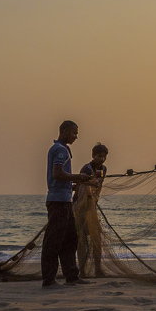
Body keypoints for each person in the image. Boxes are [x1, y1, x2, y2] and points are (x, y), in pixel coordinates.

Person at [42, 120, 95, 288]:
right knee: (54, 241)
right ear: (64, 131)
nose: (76, 136)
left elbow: (59, 179)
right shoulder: (60, 150)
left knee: (70, 239)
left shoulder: (60, 149)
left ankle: (71, 276)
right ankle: (49, 280)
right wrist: (78, 177)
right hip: (58, 202)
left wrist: (77, 184)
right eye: (74, 133)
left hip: (63, 200)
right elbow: (57, 174)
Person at [73, 143, 108, 278]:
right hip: (80, 207)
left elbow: (99, 186)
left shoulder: (103, 169)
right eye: (99, 156)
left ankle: (97, 269)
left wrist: (94, 200)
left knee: (96, 239)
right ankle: (82, 271)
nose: (102, 159)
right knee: (82, 241)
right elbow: (83, 188)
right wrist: (90, 197)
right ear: (93, 156)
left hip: (91, 206)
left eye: (104, 156)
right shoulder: (86, 168)